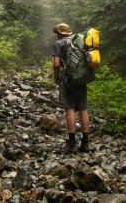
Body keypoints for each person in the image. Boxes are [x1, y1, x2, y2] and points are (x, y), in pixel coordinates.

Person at [51, 22, 90, 153]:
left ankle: (72, 142)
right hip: (81, 78)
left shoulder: (58, 44)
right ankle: (85, 143)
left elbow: (56, 64)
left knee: (70, 108)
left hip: (67, 80)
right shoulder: (79, 40)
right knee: (83, 108)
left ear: (59, 33)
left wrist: (57, 77)